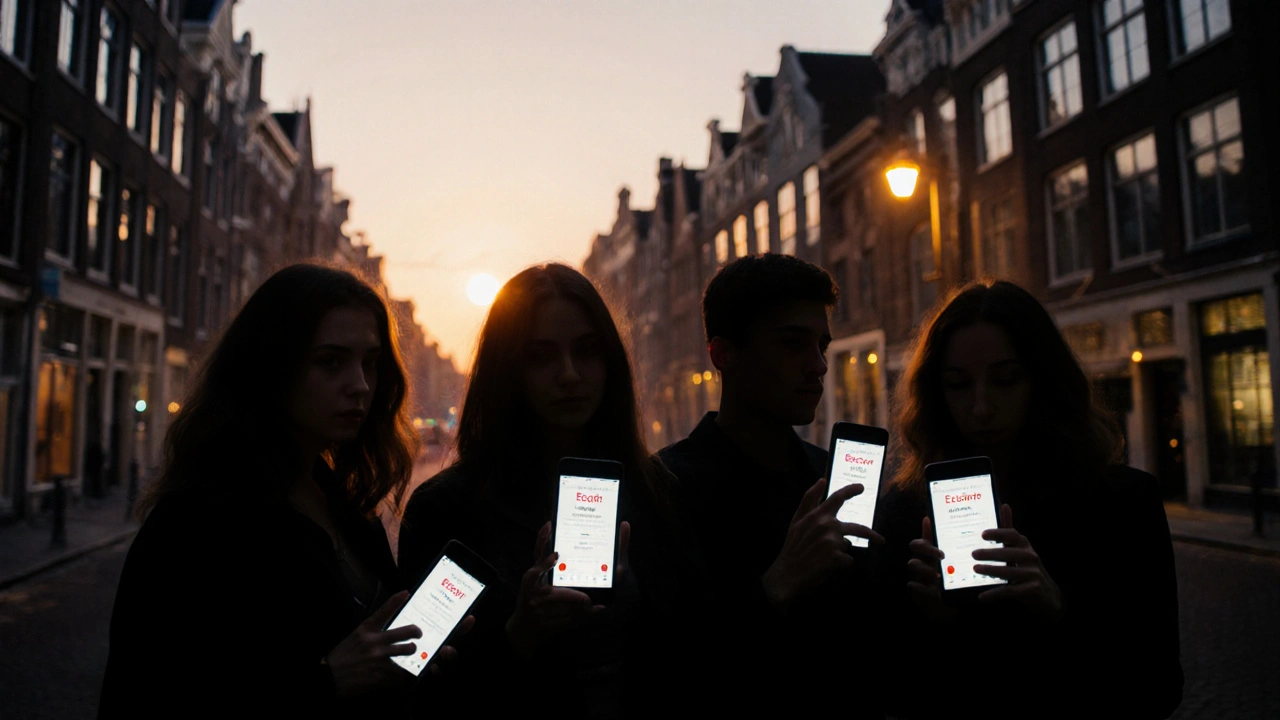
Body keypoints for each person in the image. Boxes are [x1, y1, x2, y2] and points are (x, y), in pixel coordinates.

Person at [100, 264, 459, 717]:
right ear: (271, 367)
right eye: (331, 361)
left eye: (369, 362)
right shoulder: (197, 522)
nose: (361, 385)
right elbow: (146, 693)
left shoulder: (347, 506)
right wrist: (326, 680)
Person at [397, 263, 694, 718]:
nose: (570, 374)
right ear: (507, 369)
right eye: (541, 356)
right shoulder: (446, 508)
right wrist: (520, 632)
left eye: (588, 351)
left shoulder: (657, 490)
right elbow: (414, 689)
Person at [877, 279, 1183, 719]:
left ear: (1043, 378)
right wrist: (934, 624)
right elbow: (883, 687)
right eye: (959, 385)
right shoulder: (906, 512)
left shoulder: (1122, 503)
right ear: (935, 392)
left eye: (1005, 380)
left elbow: (1157, 687)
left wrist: (1059, 609)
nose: (982, 407)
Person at [657, 253, 884, 717]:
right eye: (792, 344)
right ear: (723, 354)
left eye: (821, 346)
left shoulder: (833, 480)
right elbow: (668, 672)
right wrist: (778, 583)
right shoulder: (664, 487)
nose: (818, 365)